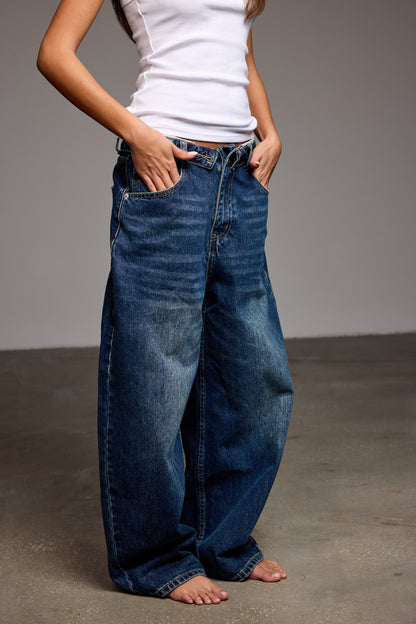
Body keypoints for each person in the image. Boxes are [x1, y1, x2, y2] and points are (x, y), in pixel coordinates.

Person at [37, 0, 294, 606]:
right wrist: (136, 132)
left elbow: (239, 50)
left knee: (251, 377)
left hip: (240, 174)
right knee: (154, 374)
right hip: (170, 171)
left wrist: (270, 130)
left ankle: (223, 543)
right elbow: (53, 54)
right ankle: (151, 559)